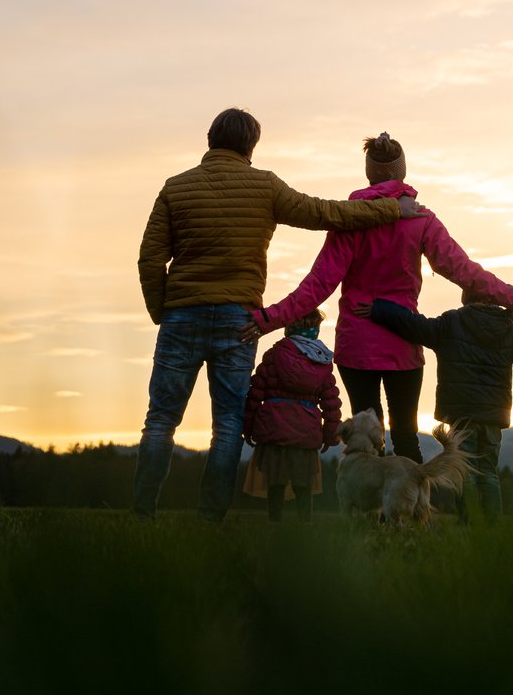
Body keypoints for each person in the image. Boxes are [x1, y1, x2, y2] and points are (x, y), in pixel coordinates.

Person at [132, 108, 424, 523]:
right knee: (228, 423)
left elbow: (150, 259)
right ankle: (210, 517)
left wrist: (161, 309)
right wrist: (393, 211)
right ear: (251, 146)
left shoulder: (175, 188)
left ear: (211, 139)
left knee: (161, 419)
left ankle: (143, 512)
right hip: (239, 318)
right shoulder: (264, 186)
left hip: (182, 313)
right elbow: (327, 213)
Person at [242, 132, 513, 465]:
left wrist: (266, 319)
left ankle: (371, 516)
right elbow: (467, 273)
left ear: (369, 172)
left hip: (356, 345)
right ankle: (415, 514)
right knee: (405, 437)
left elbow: (315, 287)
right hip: (403, 341)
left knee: (367, 440)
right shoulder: (421, 220)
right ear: (401, 171)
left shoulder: (351, 219)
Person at [354, 290, 513, 523]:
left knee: (466, 474)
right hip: (493, 416)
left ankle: (469, 525)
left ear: (466, 299)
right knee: (488, 473)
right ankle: (491, 529)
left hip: (462, 414)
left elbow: (412, 323)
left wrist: (379, 309)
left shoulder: (451, 323)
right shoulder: (508, 330)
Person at [241, 310, 341, 523]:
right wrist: (331, 435)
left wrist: (247, 426)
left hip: (274, 429)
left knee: (275, 483)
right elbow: (331, 404)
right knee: (303, 484)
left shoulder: (274, 355)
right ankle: (305, 524)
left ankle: (274, 522)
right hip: (306, 433)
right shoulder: (322, 361)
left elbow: (255, 393)